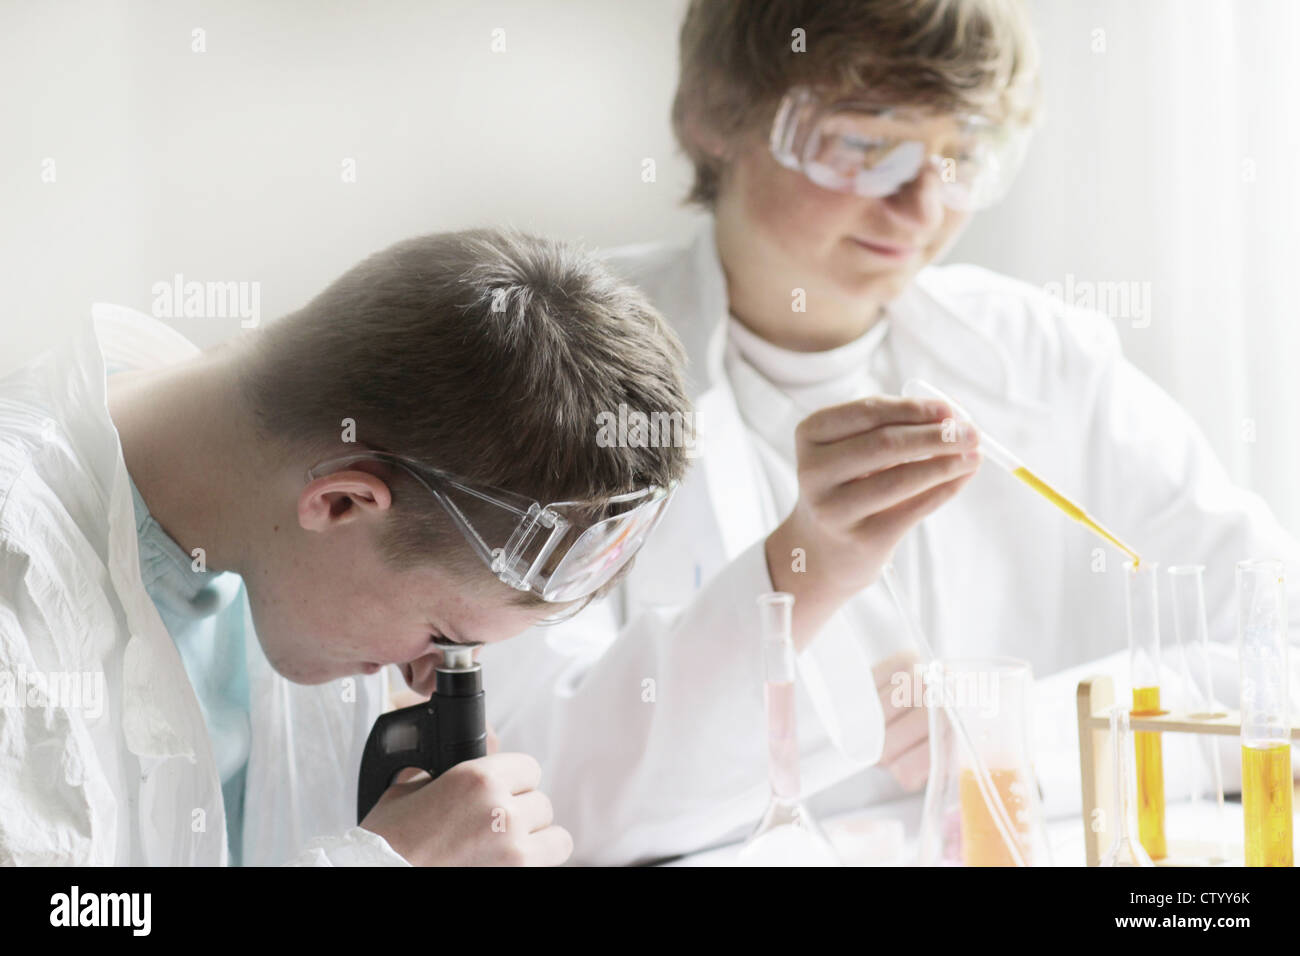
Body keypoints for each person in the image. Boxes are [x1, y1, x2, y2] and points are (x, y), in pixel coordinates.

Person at [479, 0, 1300, 864]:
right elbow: (548, 799)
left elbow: (1277, 652)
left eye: (962, 156)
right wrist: (800, 565)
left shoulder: (1041, 359)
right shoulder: (550, 368)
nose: (920, 206)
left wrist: (1009, 730)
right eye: (865, 145)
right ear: (716, 115)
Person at [0, 228, 690, 866]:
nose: (425, 681)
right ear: (340, 503)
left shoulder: (272, 548)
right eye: (441, 634)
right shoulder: (16, 587)